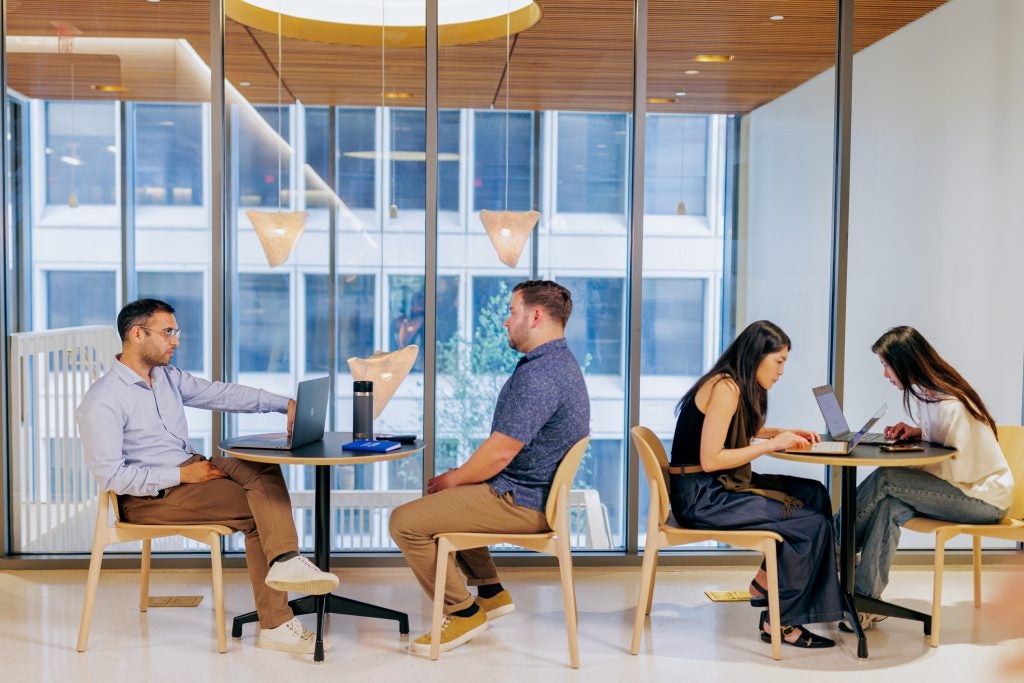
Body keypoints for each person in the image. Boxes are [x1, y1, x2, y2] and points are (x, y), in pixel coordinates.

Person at [76, 299, 340, 655]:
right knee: (258, 508)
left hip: (192, 467)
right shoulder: (103, 399)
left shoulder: (167, 377)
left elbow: (220, 392)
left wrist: (283, 403)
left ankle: (285, 561)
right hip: (151, 498)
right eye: (168, 332)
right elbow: (112, 477)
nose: (176, 341)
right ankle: (276, 622)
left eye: (176, 332)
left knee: (263, 469)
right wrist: (182, 476)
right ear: (137, 334)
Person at [389, 280, 590, 655]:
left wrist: (455, 477)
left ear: (535, 316)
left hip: (522, 502)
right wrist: (460, 479)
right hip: (530, 493)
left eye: (511, 313)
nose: (505, 322)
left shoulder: (542, 375)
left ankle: (462, 611)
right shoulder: (559, 364)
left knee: (404, 522)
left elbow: (500, 453)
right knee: (451, 493)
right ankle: (490, 591)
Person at [669, 320, 844, 648]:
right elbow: (711, 459)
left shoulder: (732, 383)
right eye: (778, 361)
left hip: (709, 486)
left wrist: (776, 433)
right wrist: (771, 445)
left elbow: (730, 431)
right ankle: (781, 624)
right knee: (812, 524)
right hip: (703, 497)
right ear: (757, 356)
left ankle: (765, 583)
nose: (780, 371)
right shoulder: (726, 388)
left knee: (813, 494)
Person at [849, 326, 1013, 629]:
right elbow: (943, 447)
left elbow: (957, 471)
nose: (885, 374)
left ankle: (829, 548)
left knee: (887, 478)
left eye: (886, 365)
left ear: (905, 362)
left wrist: (914, 465)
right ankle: (864, 600)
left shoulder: (951, 405)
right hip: (963, 490)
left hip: (982, 499)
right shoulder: (929, 396)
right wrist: (917, 434)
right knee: (889, 506)